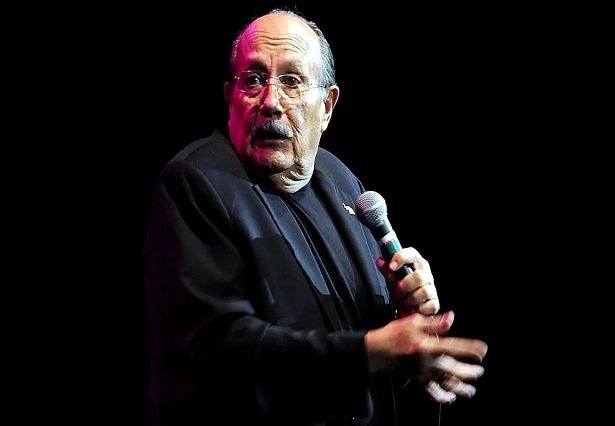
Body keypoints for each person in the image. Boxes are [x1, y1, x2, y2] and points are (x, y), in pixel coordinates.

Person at [144, 8, 488, 426]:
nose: (271, 102)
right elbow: (219, 346)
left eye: (291, 81)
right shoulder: (195, 182)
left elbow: (367, 337)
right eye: (253, 79)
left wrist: (404, 319)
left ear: (326, 106)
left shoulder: (340, 180)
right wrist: (370, 353)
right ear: (229, 95)